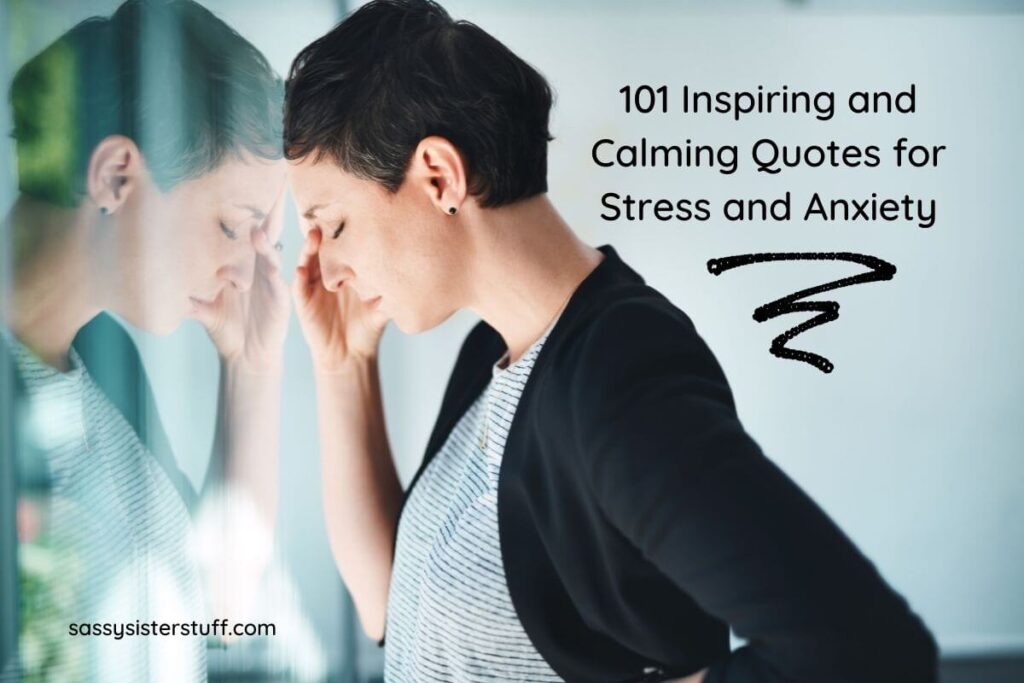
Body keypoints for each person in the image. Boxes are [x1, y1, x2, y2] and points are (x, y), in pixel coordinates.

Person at [283, 1, 938, 682]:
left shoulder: (614, 377)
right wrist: (344, 364)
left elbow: (868, 652)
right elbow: (391, 603)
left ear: (439, 176)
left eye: (333, 225)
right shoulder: (492, 353)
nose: (327, 268)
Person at [1, 1, 287, 679]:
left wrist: (250, 366)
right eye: (230, 226)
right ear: (115, 177)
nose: (245, 270)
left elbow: (217, 613)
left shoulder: (104, 361)